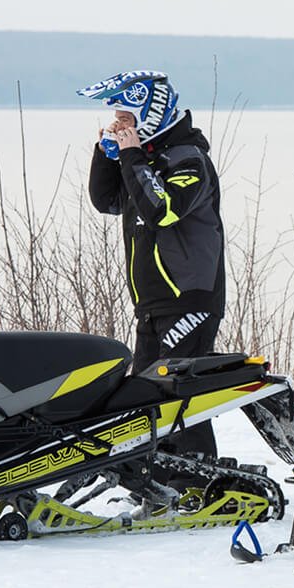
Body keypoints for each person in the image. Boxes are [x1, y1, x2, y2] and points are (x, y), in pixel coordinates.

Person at [78, 70, 225, 461]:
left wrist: (131, 156)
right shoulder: (144, 161)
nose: (121, 123)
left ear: (152, 112)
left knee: (178, 396)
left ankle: (202, 477)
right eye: (119, 118)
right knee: (142, 399)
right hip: (151, 303)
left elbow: (161, 209)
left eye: (128, 117)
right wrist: (107, 153)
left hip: (188, 298)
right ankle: (160, 481)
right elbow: (107, 200)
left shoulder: (188, 160)